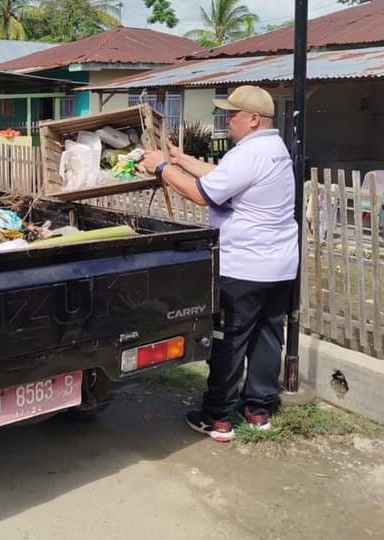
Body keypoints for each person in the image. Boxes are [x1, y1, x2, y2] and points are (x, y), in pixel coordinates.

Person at [139, 85, 299, 442]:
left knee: (229, 339)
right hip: (278, 265)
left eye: (233, 114)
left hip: (243, 266)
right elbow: (222, 175)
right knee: (267, 337)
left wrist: (162, 167)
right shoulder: (272, 148)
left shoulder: (249, 153)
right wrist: (181, 160)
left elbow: (200, 193)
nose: (227, 121)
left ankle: (218, 417)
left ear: (254, 119)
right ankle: (258, 409)